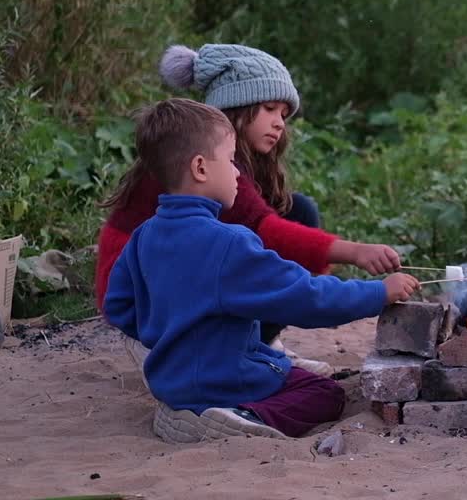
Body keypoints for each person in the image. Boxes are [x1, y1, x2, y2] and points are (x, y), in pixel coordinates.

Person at [103, 98, 421, 441]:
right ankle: (242, 416)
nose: (238, 171)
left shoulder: (144, 235)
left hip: (170, 381)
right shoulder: (228, 243)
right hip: (225, 380)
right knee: (324, 393)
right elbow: (305, 297)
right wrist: (379, 292)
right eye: (230, 160)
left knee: (272, 362)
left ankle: (190, 411)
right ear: (200, 168)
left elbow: (118, 306)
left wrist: (167, 337)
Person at [95, 43, 401, 375]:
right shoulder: (203, 161)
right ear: (235, 106)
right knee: (267, 235)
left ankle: (260, 343)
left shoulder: (220, 159)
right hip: (144, 294)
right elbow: (264, 230)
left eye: (284, 114)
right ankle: (212, 352)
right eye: (270, 108)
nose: (280, 123)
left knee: (297, 210)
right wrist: (354, 252)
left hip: (171, 275)